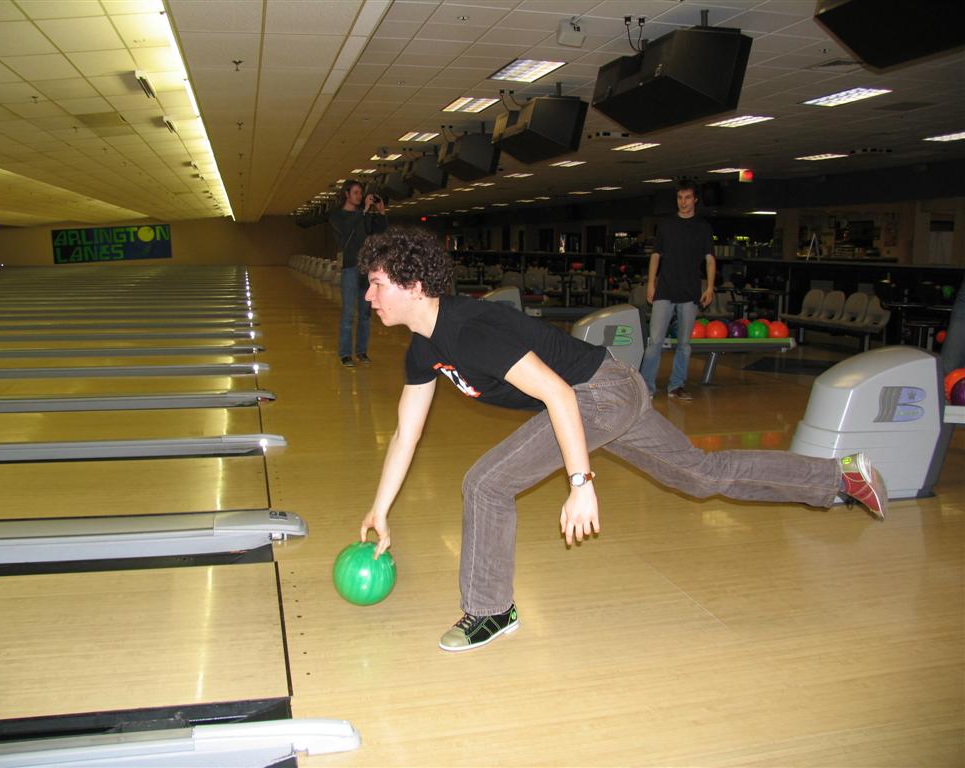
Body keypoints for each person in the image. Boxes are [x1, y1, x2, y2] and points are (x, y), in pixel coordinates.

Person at [356, 227, 888, 653]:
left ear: (414, 285)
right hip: (609, 391)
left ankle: (490, 610)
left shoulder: (470, 329)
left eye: (378, 283)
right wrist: (381, 509)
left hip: (599, 394)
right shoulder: (422, 349)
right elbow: (406, 431)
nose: (368, 294)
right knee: (701, 476)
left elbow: (560, 395)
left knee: (485, 485)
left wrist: (581, 481)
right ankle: (839, 476)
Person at [639, 181, 715, 401]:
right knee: (655, 342)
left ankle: (676, 386)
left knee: (684, 345)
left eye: (688, 198)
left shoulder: (703, 227)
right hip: (665, 289)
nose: (683, 202)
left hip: (690, 292)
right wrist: (651, 284)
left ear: (695, 200)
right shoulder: (666, 225)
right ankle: (647, 386)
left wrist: (709, 287)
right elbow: (656, 256)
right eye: (680, 198)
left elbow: (710, 260)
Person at [329, 180, 388, 367]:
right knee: (348, 313)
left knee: (365, 314)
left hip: (366, 269)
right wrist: (363, 210)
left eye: (360, 193)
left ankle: (362, 352)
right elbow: (347, 230)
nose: (359, 196)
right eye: (355, 192)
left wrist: (381, 212)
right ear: (346, 194)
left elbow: (379, 232)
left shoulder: (363, 216)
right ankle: (345, 354)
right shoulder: (337, 216)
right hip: (349, 268)